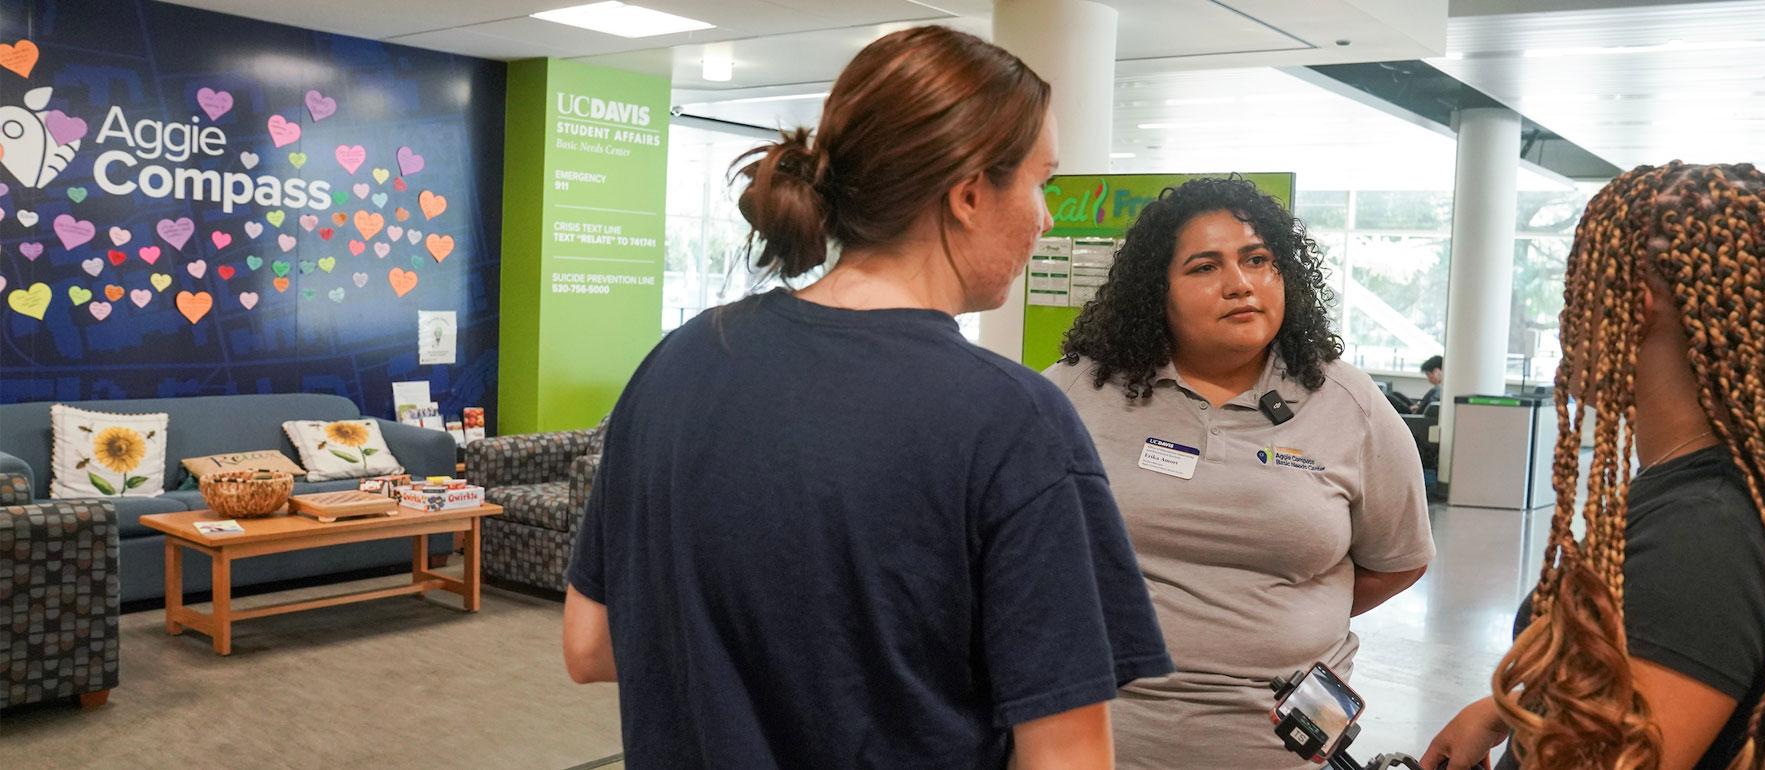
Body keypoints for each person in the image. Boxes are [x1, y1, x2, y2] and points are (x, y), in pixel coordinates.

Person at [561, 26, 1172, 770]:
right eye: (1042, 182)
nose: (1046, 218)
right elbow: (1067, 757)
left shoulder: (678, 363)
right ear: (971, 192)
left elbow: (589, 646)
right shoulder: (1013, 421)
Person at [1421, 162, 1765, 770]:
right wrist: (1504, 710)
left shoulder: (1702, 537)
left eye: (1580, 284)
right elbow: (1643, 668)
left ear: (1640, 304)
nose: (1566, 315)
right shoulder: (1714, 497)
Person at [1048, 176, 1434, 769]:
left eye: (1258, 260)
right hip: (1108, 733)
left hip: (1278, 742)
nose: (1240, 284)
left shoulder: (1349, 403)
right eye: (1205, 268)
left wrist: (1278, 612)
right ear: (1159, 291)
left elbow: (1400, 558)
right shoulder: (1078, 392)